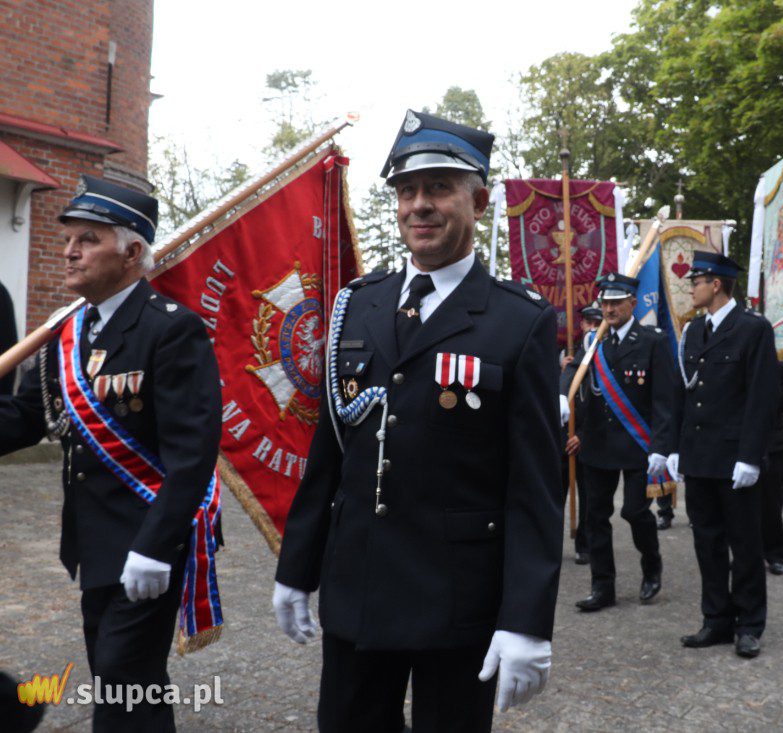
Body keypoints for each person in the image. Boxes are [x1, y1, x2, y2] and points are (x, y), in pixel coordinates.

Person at [272, 110, 563, 731]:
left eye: (438, 189)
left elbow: (535, 488)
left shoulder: (520, 321)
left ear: (478, 201)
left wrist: (526, 620)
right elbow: (329, 454)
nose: (419, 206)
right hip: (360, 587)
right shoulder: (359, 304)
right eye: (407, 191)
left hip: (457, 601)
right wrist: (297, 569)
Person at [0, 176, 224, 731]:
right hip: (94, 542)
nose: (70, 251)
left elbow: (192, 453)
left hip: (149, 540)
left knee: (122, 680)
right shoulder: (70, 332)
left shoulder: (170, 331)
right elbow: (27, 418)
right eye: (69, 238)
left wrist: (154, 548)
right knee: (125, 682)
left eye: (88, 239)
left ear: (131, 252)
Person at [667, 251, 777, 658]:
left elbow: (761, 398)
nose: (690, 287)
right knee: (707, 543)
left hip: (734, 460)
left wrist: (750, 457)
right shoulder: (692, 332)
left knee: (745, 545)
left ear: (716, 284)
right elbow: (683, 394)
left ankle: (749, 623)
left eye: (695, 281)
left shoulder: (753, 329)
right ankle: (716, 619)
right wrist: (675, 449)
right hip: (699, 456)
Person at [573, 272, 677, 612]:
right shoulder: (593, 343)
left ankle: (652, 565)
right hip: (597, 444)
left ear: (633, 302)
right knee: (595, 517)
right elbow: (572, 380)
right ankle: (602, 587)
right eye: (604, 302)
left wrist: (661, 447)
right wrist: (565, 406)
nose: (609, 308)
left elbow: (665, 398)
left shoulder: (653, 341)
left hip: (638, 445)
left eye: (616, 302)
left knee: (634, 511)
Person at [561, 303, 604, 564]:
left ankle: (584, 544)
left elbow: (605, 408)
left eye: (595, 323)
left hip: (588, 441)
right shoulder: (566, 356)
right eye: (587, 323)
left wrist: (583, 436)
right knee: (555, 495)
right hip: (562, 441)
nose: (590, 328)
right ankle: (548, 543)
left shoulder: (605, 360)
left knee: (588, 498)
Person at [761, 357, 783, 577]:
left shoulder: (777, 367)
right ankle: (747, 553)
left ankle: (774, 554)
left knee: (771, 503)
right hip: (739, 442)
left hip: (773, 443)